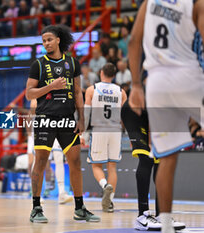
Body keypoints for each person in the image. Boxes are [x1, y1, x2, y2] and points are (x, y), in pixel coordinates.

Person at [128, 1, 204, 232]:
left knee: (167, 159)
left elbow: (133, 42)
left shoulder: (148, 4)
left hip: (157, 82)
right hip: (190, 76)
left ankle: (167, 225)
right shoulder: (195, 3)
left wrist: (135, 84)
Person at [26, 24, 100, 223]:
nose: (46, 43)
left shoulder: (72, 63)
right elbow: (29, 93)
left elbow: (77, 92)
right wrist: (51, 86)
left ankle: (79, 207)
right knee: (40, 162)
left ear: (58, 40)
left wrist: (82, 119)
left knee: (75, 162)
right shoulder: (38, 65)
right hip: (45, 119)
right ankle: (36, 207)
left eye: (49, 39)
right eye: (43, 41)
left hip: (68, 119)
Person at [122, 98, 185, 231]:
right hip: (134, 111)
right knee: (147, 158)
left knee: (161, 163)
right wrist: (151, 142)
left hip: (149, 114)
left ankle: (161, 215)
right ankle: (142, 216)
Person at [84, 63, 127, 213]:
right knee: (112, 167)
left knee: (96, 166)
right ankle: (110, 202)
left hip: (99, 130)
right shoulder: (121, 91)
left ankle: (104, 186)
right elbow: (125, 116)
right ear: (114, 75)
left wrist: (83, 133)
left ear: (101, 72)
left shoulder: (92, 89)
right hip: (115, 130)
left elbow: (86, 114)